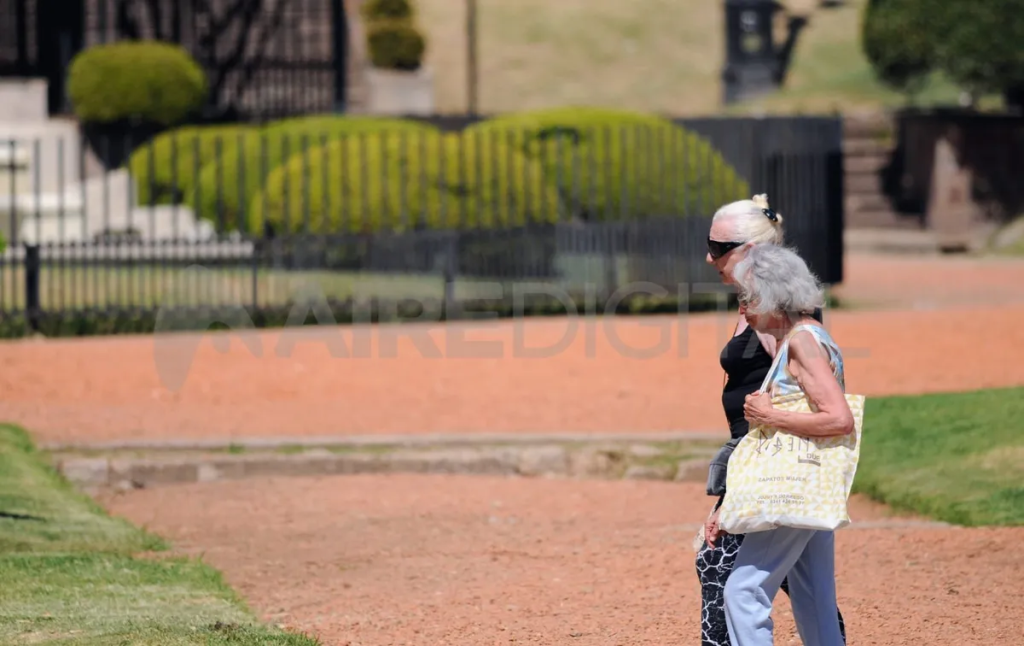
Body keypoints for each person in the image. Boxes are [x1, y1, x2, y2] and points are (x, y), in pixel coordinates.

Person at [695, 194, 846, 646]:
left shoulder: (789, 330)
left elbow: (825, 410)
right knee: (813, 593)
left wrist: (731, 493)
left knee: (736, 584)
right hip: (797, 469)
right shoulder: (792, 323)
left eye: (718, 247)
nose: (709, 256)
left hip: (781, 470)